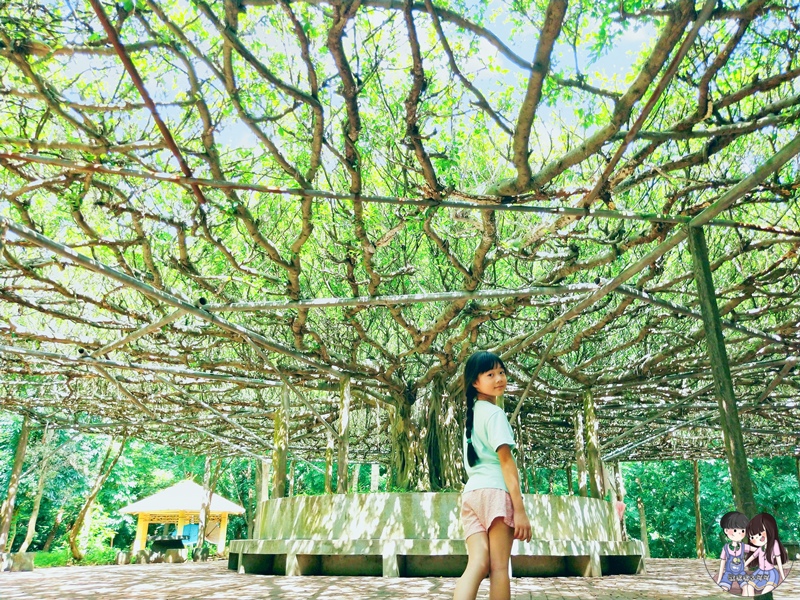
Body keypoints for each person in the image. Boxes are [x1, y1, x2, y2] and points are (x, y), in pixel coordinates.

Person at [454, 351, 532, 600]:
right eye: (490, 374)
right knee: (499, 568)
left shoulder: (471, 416)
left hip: (472, 495)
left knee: (477, 564)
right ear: (475, 382)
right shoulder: (495, 414)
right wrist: (520, 510)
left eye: (501, 372)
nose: (499, 378)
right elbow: (507, 463)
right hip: (496, 494)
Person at [742, 513, 788, 596]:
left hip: (771, 574)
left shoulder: (774, 544)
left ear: (770, 529)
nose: (756, 538)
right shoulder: (760, 549)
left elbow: (778, 560)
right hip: (759, 573)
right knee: (749, 587)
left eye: (759, 534)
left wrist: (782, 575)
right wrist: (743, 566)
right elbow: (752, 557)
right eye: (752, 537)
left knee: (765, 591)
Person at [714, 511, 752, 594]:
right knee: (724, 589)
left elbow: (756, 550)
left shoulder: (743, 546)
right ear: (726, 530)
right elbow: (722, 564)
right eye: (735, 530)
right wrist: (719, 579)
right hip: (728, 574)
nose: (739, 533)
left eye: (742, 531)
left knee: (747, 587)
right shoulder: (726, 548)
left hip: (741, 573)